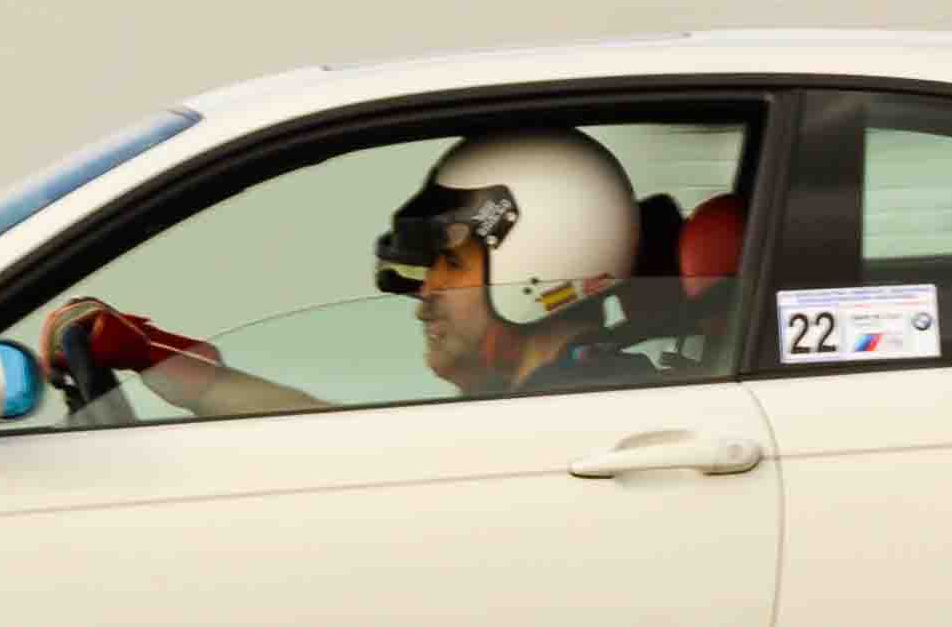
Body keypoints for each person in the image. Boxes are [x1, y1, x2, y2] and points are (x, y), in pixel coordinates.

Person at [45, 127, 649, 416]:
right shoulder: (545, 402)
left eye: (450, 263)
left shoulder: (585, 413)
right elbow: (324, 430)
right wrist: (153, 354)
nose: (425, 294)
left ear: (545, 266)